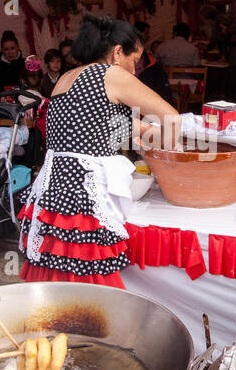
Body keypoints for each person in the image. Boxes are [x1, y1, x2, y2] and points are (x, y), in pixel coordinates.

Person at [18, 15, 180, 286]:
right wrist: (170, 161)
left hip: (52, 190)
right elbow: (171, 117)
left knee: (56, 279)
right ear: (118, 52)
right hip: (83, 194)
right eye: (134, 62)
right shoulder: (111, 75)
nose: (135, 71)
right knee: (88, 285)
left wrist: (149, 139)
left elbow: (115, 130)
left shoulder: (68, 78)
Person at [134, 20, 174, 106]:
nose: (148, 36)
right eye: (146, 33)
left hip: (149, 110)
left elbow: (165, 96)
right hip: (130, 109)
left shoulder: (154, 66)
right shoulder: (119, 69)